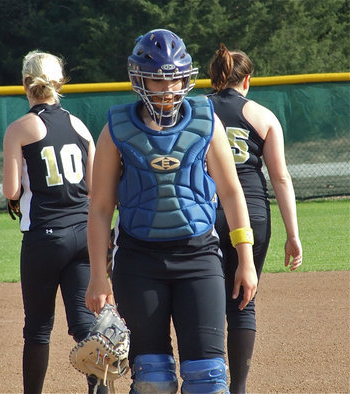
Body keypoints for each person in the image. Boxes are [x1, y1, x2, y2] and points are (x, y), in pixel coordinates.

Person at [85, 29, 258, 393]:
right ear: (138, 78)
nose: (169, 89)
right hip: (138, 261)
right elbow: (100, 208)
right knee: (153, 381)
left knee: (208, 379)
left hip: (199, 258)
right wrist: (99, 275)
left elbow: (230, 192)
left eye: (177, 79)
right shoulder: (115, 129)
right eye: (158, 80)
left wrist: (245, 258)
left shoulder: (206, 121)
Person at [2, 50, 107, 394]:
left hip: (45, 237)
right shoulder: (80, 126)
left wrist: (16, 197)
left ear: (25, 83)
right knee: (85, 325)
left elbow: (11, 188)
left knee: (37, 329)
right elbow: (95, 190)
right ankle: (101, 388)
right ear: (60, 83)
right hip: (82, 234)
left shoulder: (20, 128)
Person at [208, 43, 303, 393]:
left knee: (205, 301)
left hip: (206, 212)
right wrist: (293, 234)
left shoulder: (195, 111)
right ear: (247, 80)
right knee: (243, 302)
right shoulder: (262, 116)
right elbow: (280, 178)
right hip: (252, 215)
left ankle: (207, 382)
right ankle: (239, 389)